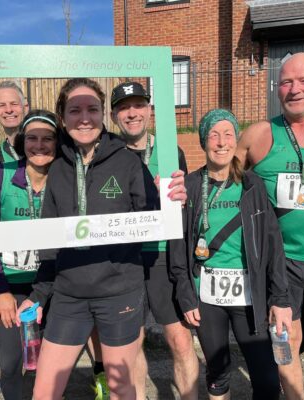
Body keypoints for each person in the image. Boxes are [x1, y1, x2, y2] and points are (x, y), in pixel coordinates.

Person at [17, 78, 160, 400]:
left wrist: (171, 200)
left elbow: (152, 222)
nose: (84, 118)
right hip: (69, 296)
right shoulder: (57, 168)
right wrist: (39, 294)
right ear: (62, 117)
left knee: (121, 389)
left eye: (92, 109)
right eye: (75, 110)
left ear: (103, 114)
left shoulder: (127, 161)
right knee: (44, 392)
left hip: (118, 294)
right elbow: (49, 238)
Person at [170, 108, 292, 399]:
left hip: (249, 295)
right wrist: (185, 294)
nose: (221, 142)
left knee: (266, 378)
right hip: (206, 297)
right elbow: (177, 245)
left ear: (236, 139)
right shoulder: (190, 187)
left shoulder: (252, 185)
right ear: (204, 142)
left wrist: (280, 297)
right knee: (218, 374)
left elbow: (273, 243)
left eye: (227, 134)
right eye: (213, 135)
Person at [236, 52, 304, 399]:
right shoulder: (259, 135)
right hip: (280, 263)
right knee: (286, 344)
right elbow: (222, 180)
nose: (294, 89)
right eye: (286, 82)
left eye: (303, 80)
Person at [110, 81, 199, 399]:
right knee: (132, 344)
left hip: (164, 256)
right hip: (125, 260)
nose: (132, 113)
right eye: (123, 108)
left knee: (181, 341)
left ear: (149, 110)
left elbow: (185, 205)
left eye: (138, 105)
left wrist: (182, 196)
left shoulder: (171, 151)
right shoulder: (107, 153)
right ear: (114, 115)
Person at [0, 109, 58, 399]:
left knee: (49, 362)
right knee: (11, 363)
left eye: (48, 138)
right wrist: (0, 291)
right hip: (9, 285)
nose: (39, 145)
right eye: (32, 138)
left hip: (52, 284)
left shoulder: (64, 177)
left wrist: (42, 294)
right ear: (22, 141)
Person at [0, 80, 29, 163]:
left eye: (14, 104)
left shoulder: (42, 150)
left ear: (25, 108)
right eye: (2, 105)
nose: (8, 110)